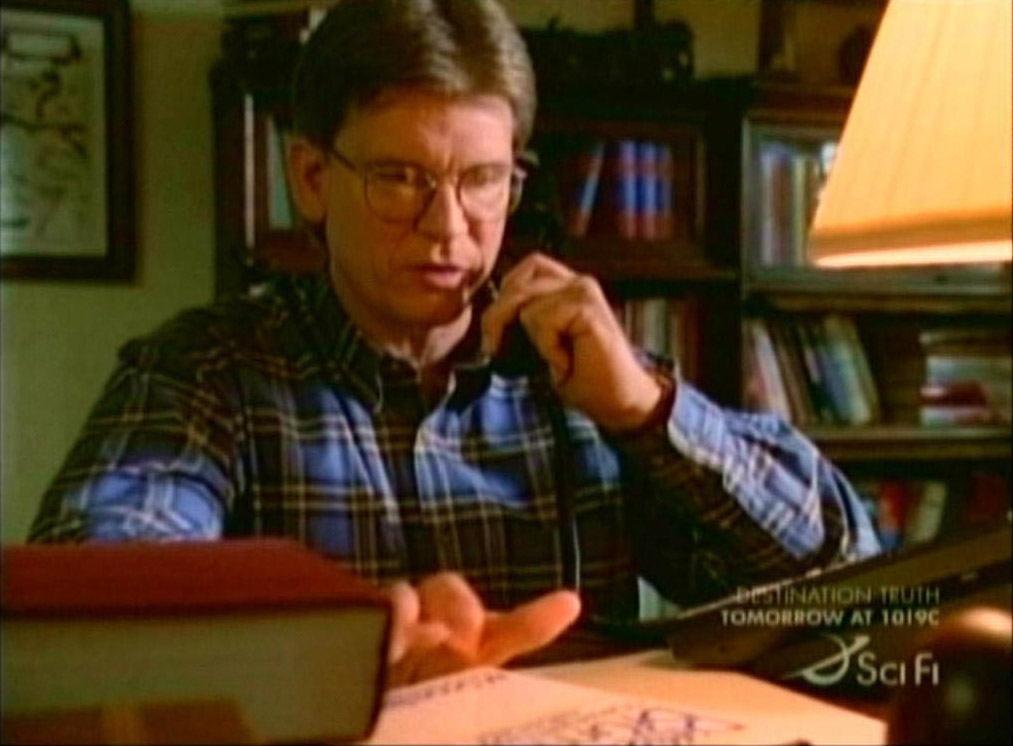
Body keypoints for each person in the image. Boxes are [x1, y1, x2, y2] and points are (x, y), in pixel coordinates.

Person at [29, 0, 880, 686]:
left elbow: (853, 585)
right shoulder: (209, 372)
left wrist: (645, 411)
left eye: (481, 181)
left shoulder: (579, 374)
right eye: (401, 178)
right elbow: (97, 600)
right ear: (312, 178)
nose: (447, 226)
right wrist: (321, 659)